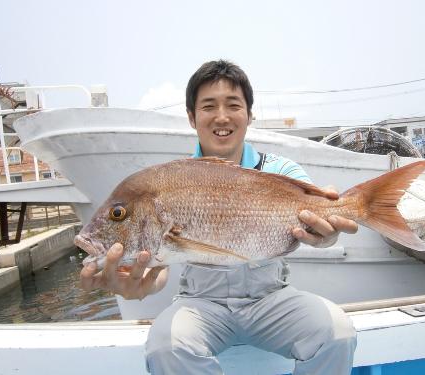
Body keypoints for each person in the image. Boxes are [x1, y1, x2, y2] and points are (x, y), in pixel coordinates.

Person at [81, 60, 358, 374]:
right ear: (191, 117)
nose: (222, 117)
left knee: (337, 333)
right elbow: (159, 269)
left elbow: (319, 213)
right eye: (208, 106)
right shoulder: (174, 179)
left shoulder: (281, 171)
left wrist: (327, 234)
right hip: (202, 305)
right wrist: (140, 284)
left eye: (233, 105)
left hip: (271, 300)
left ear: (250, 115)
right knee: (165, 346)